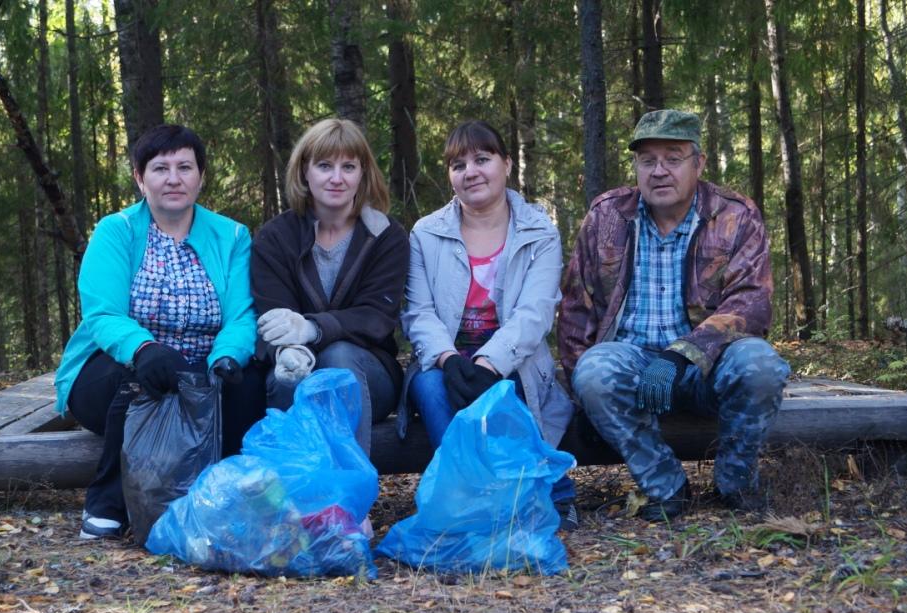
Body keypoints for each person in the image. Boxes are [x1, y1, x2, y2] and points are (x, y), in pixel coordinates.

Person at [558, 109, 790, 521]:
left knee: (761, 364)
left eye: (673, 158)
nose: (659, 171)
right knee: (593, 372)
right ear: (636, 167)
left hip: (709, 364)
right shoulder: (607, 216)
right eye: (648, 160)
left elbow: (751, 303)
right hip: (631, 360)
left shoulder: (735, 215)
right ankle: (665, 485)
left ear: (698, 163)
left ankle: (735, 483)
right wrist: (583, 396)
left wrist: (683, 353)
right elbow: (578, 308)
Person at [54, 124, 266, 540]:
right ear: (139, 177)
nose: (174, 178)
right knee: (139, 383)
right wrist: (145, 348)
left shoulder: (233, 235)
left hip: (203, 369)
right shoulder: (116, 231)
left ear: (201, 177)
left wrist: (225, 357)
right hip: (120, 363)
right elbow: (102, 313)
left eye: (185, 167)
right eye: (160, 168)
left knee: (249, 384)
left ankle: (223, 497)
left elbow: (243, 315)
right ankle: (108, 501)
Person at [400, 120, 577, 530]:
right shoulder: (425, 234)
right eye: (458, 164)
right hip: (444, 358)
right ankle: (471, 498)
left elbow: (535, 313)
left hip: (515, 359)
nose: (471, 172)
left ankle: (543, 491)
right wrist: (448, 359)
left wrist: (488, 364)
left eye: (482, 159)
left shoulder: (539, 232)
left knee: (503, 390)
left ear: (507, 165)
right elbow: (419, 312)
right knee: (431, 386)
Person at [251, 118, 409, 457]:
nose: (337, 178)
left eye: (348, 167)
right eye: (325, 166)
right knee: (289, 378)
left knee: (338, 362)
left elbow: (375, 317)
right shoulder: (275, 238)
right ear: (304, 172)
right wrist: (292, 350)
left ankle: (349, 503)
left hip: (368, 375)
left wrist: (312, 328)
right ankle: (294, 502)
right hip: (293, 367)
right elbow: (272, 316)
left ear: (362, 174)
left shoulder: (386, 236)